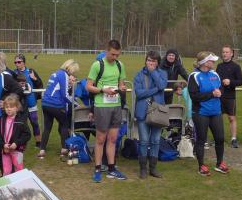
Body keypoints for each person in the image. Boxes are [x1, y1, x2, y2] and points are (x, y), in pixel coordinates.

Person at [86, 40, 128, 182]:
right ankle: (98, 168)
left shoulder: (120, 65)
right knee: (100, 139)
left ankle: (111, 168)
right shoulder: (97, 65)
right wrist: (102, 90)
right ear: (106, 51)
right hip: (101, 106)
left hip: (116, 105)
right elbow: (88, 86)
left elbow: (121, 84)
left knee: (113, 139)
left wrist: (121, 89)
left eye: (117, 55)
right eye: (113, 54)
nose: (115, 57)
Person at [188, 51, 228, 176]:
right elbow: (194, 96)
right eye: (211, 60)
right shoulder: (194, 76)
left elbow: (220, 88)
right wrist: (212, 94)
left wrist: (220, 92)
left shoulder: (215, 74)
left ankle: (219, 163)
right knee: (201, 139)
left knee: (220, 138)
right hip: (201, 113)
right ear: (204, 62)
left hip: (216, 111)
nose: (214, 62)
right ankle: (201, 166)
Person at [133, 50, 168, 179]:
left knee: (155, 141)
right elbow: (139, 93)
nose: (150, 63)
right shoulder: (139, 75)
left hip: (157, 112)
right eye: (148, 60)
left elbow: (162, 85)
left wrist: (153, 73)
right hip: (143, 111)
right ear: (145, 61)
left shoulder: (162, 73)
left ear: (158, 62)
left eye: (153, 61)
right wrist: (155, 90)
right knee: (144, 141)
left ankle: (153, 168)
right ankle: (143, 169)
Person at [0, 52, 24, 166]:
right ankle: (2, 162)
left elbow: (19, 90)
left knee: (3, 140)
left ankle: (7, 164)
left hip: (2, 116)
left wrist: (7, 103)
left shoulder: (5, 76)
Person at [39, 59, 78, 159]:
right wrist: (75, 104)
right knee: (64, 124)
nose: (73, 73)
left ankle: (42, 150)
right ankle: (64, 149)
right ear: (70, 68)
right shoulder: (64, 75)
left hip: (45, 103)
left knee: (47, 127)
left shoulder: (55, 73)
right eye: (73, 71)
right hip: (55, 104)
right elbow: (65, 95)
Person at [216, 45, 242, 148]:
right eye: (223, 52)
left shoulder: (236, 67)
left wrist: (230, 82)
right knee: (217, 118)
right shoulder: (219, 66)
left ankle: (233, 139)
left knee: (231, 118)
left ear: (231, 54)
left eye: (227, 52)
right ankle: (219, 138)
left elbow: (241, 81)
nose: (224, 54)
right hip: (219, 96)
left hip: (230, 96)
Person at [13, 53, 43, 146]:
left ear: (24, 62)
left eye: (19, 62)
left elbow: (40, 84)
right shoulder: (14, 73)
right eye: (15, 62)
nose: (17, 64)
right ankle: (20, 142)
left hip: (31, 102)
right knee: (20, 123)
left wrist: (34, 79)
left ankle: (38, 142)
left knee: (34, 122)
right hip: (19, 104)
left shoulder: (31, 71)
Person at [0, 94, 31, 175]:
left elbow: (27, 135)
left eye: (11, 107)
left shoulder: (21, 121)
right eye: (6, 107)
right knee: (6, 171)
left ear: (17, 108)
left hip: (17, 150)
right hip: (5, 150)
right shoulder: (2, 120)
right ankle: (7, 182)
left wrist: (16, 143)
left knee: (19, 170)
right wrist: (3, 145)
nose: (8, 109)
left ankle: (20, 183)